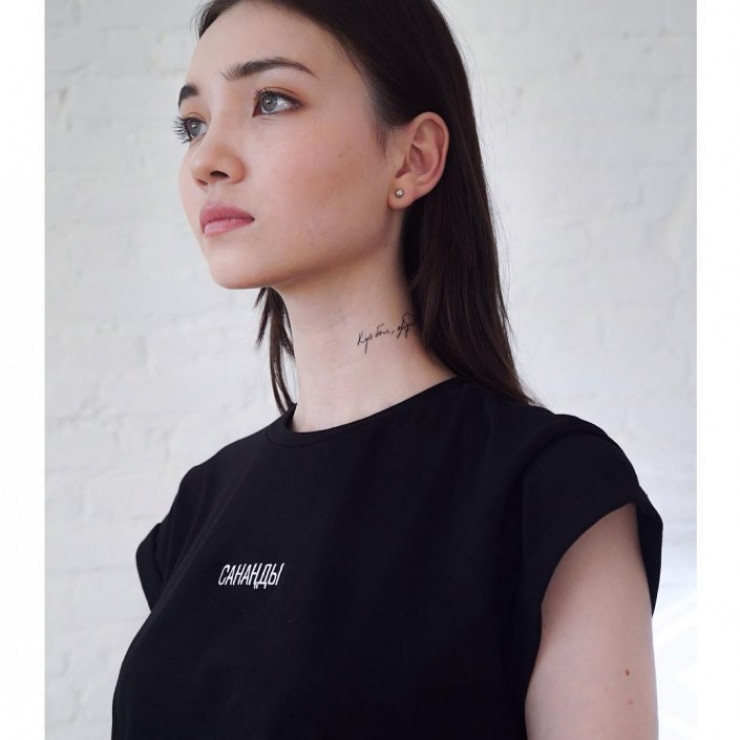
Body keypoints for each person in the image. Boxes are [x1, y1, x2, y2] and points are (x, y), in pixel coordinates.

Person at [111, 1, 663, 737]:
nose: (205, 159)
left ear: (413, 159)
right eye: (193, 123)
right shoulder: (199, 508)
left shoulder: (549, 492)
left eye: (271, 100)